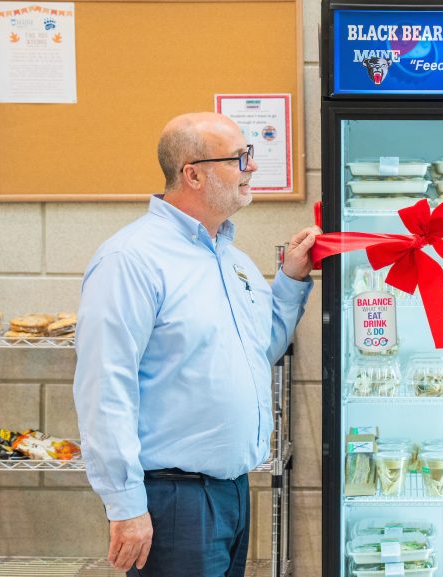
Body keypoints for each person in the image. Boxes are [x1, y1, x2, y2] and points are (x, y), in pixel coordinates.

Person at [74, 112, 320, 577]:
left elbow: (261, 349)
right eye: (241, 158)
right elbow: (104, 389)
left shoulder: (234, 260)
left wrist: (290, 279)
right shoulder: (131, 260)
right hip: (173, 499)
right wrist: (125, 506)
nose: (252, 168)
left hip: (232, 493)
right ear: (194, 173)